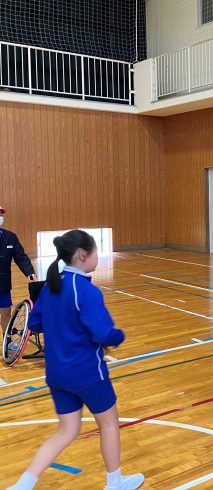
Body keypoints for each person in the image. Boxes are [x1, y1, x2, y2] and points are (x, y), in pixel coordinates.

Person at [7, 230, 143, 490]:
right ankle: (115, 482)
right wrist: (120, 336)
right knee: (109, 424)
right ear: (82, 254)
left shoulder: (50, 287)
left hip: (57, 374)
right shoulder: (86, 291)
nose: (97, 257)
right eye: (95, 251)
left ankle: (23, 484)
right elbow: (104, 334)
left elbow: (35, 324)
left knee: (66, 430)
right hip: (87, 373)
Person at [0, 205, 37, 336]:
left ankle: (8, 341)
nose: (0, 217)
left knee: (6, 312)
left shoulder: (10, 237)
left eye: (1, 214)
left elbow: (20, 256)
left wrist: (29, 272)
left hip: (3, 284)